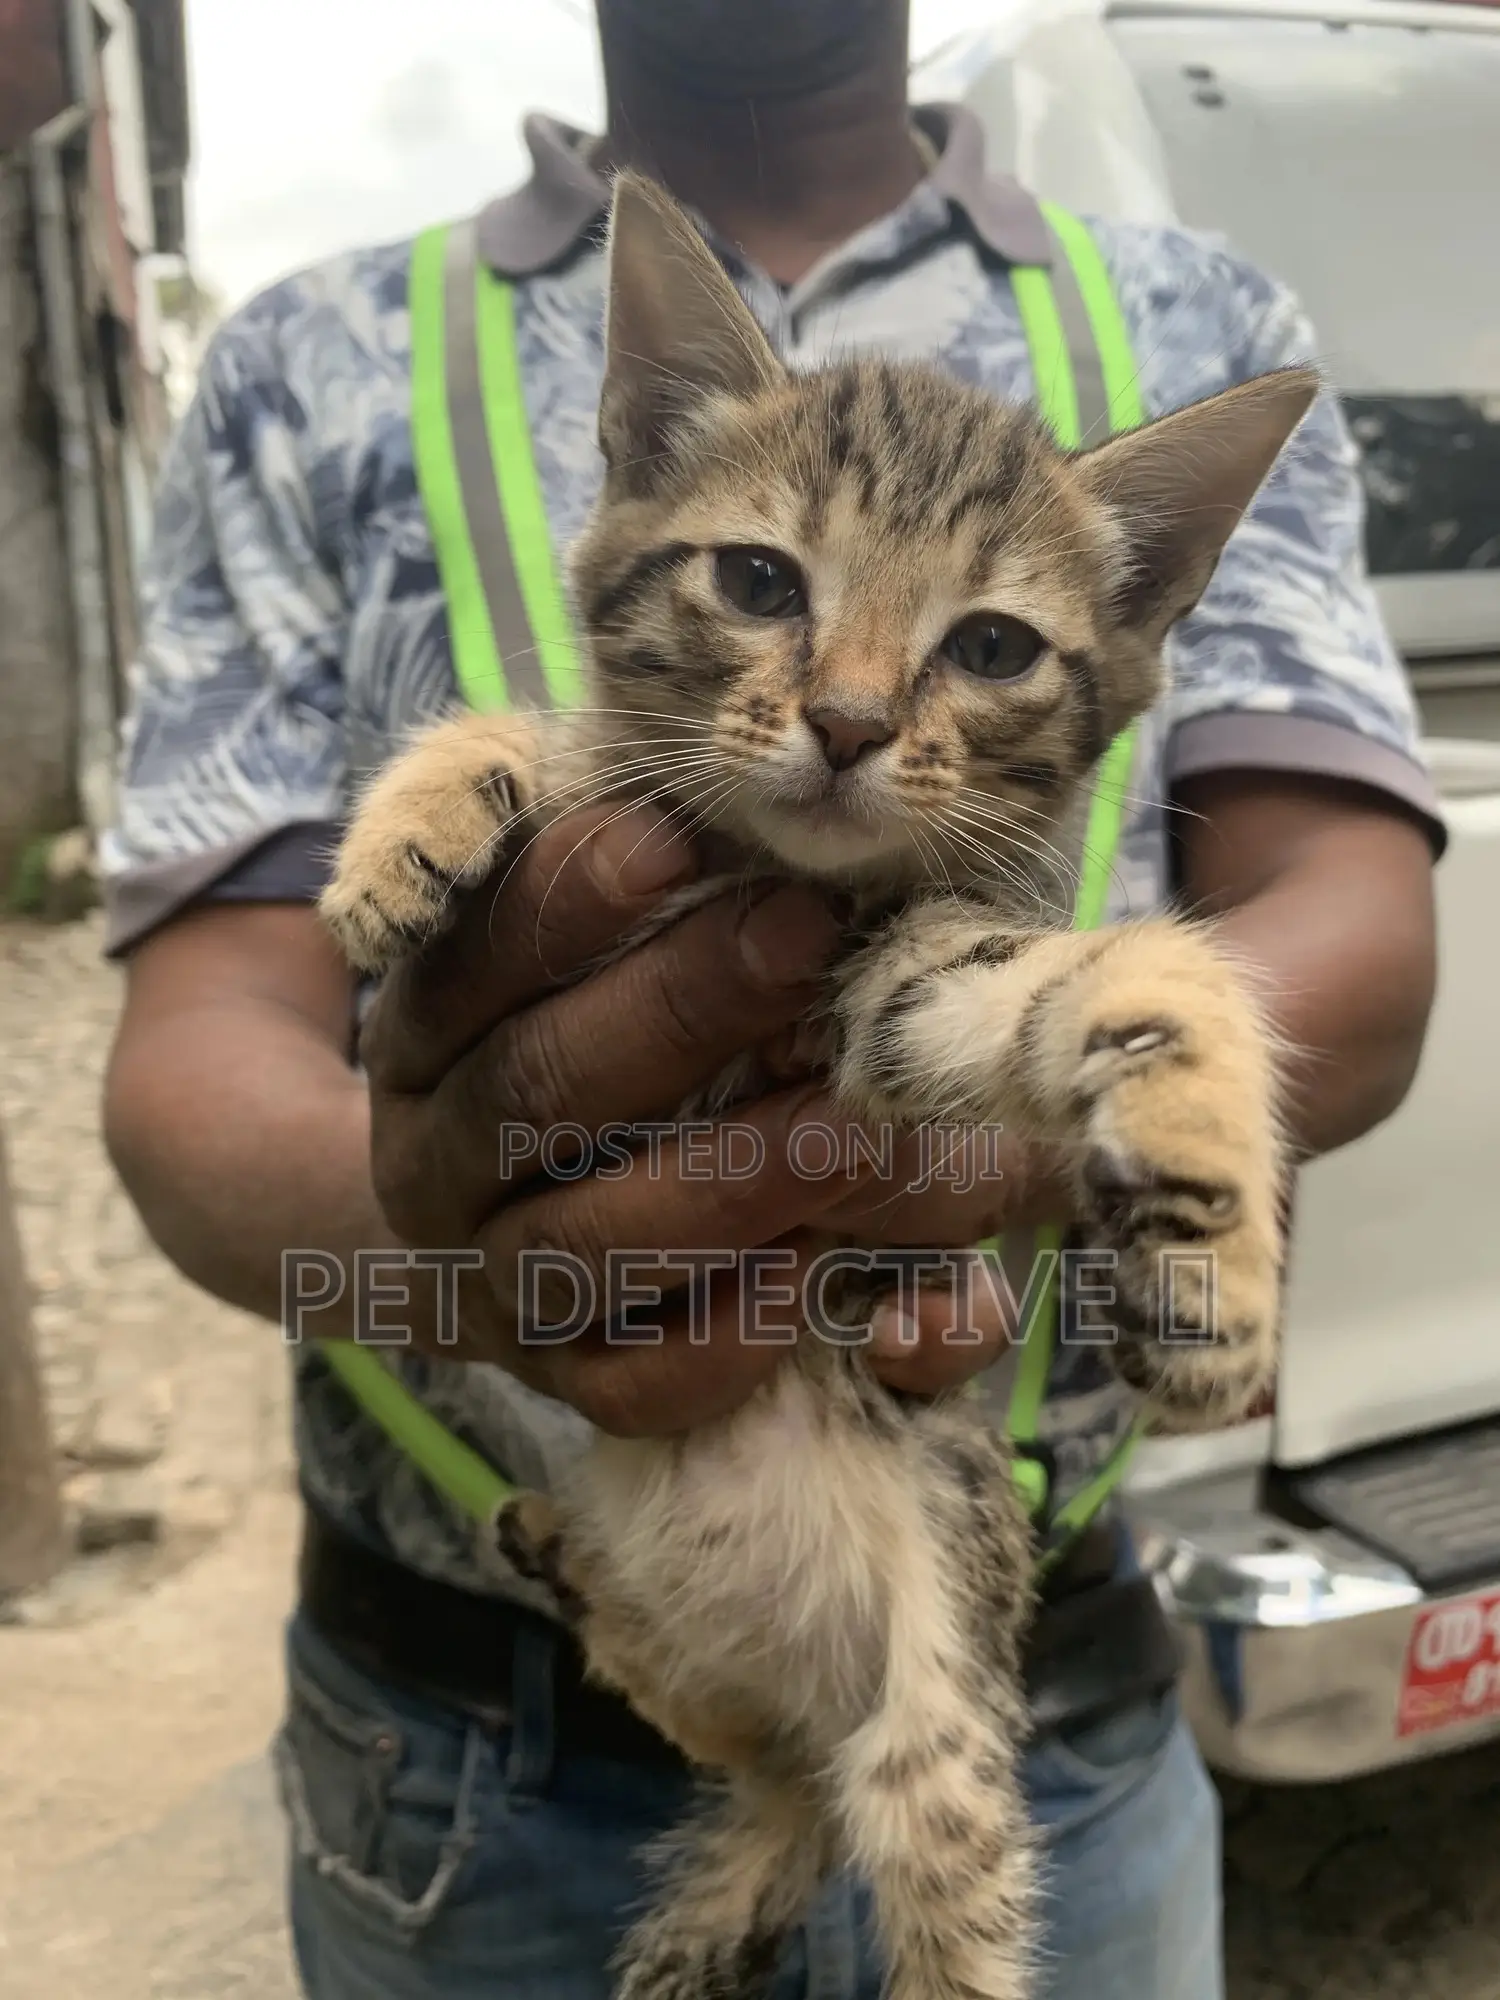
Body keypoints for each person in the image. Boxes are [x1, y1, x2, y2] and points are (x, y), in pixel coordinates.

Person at [100, 2, 1441, 1995]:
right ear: (643, 456)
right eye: (764, 588)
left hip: (1023, 1672)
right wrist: (463, 1244)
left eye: (982, 644)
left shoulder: (1192, 315)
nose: (843, 709)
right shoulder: (306, 363)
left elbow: (1351, 908)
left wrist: (1087, 1121)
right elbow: (185, 1064)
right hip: (468, 1731)